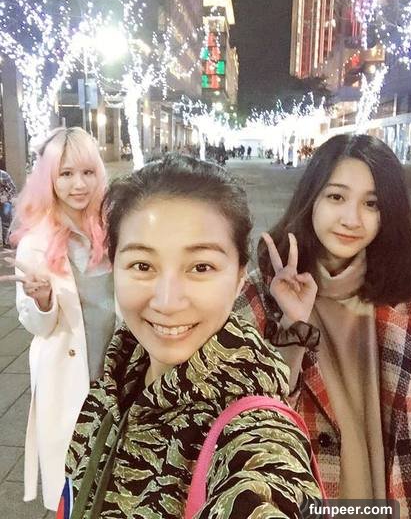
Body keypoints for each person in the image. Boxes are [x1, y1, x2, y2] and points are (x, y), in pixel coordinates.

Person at [62, 154, 321, 518]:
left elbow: (266, 492)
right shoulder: (118, 373)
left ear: (239, 278)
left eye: (201, 267)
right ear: (114, 266)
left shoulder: (255, 435)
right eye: (142, 265)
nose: (167, 301)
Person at [235, 134, 411, 519]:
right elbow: (249, 423)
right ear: (312, 198)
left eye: (371, 203)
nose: (352, 219)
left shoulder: (406, 302)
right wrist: (292, 326)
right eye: (336, 197)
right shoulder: (260, 294)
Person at [8, 127, 116, 511]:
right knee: (73, 485)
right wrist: (41, 300)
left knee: (119, 479)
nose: (78, 184)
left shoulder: (115, 229)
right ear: (49, 179)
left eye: (87, 172)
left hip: (117, 375)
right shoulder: (35, 242)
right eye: (66, 174)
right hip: (67, 378)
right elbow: (38, 327)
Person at [0, 168, 17, 247]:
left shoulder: (3, 175)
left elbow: (13, 189)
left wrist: (6, 197)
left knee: (6, 223)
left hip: (5, 202)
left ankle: (6, 242)